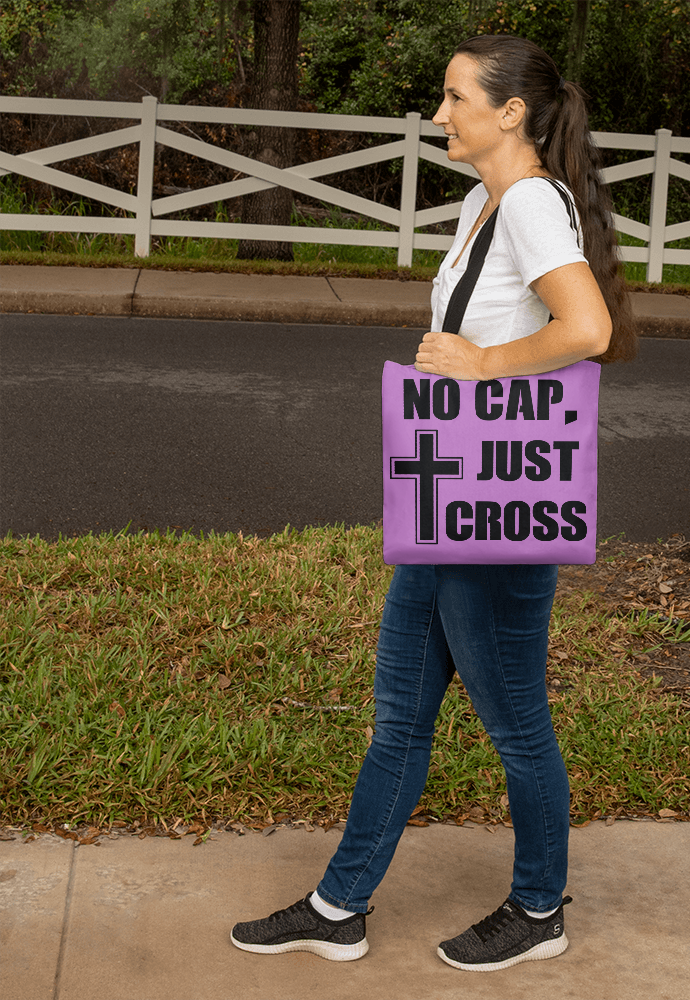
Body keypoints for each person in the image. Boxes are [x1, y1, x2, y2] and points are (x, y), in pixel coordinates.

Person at [230, 34, 636, 973]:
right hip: (452, 495)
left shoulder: (531, 202)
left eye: (454, 98)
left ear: (510, 114)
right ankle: (339, 907)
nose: (440, 114)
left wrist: (485, 362)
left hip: (494, 510)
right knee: (402, 716)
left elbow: (589, 328)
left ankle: (539, 910)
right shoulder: (482, 202)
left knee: (517, 724)